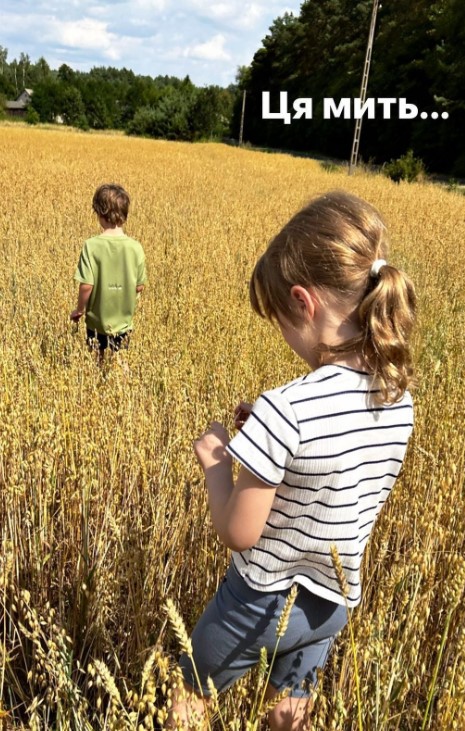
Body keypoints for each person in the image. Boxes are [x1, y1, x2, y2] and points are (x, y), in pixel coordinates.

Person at [170, 190, 416, 731]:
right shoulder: (398, 396)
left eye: (279, 318)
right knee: (289, 712)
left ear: (304, 303)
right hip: (332, 605)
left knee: (187, 699)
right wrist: (262, 432)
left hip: (258, 602)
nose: (282, 334)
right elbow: (334, 465)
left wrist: (216, 461)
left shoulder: (287, 409)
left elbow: (239, 532)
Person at [70, 183, 146, 355]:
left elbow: (86, 285)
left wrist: (79, 310)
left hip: (96, 323)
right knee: (121, 360)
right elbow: (139, 286)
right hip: (124, 322)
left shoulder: (91, 246)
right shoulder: (136, 248)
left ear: (99, 213)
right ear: (124, 214)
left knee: (97, 359)